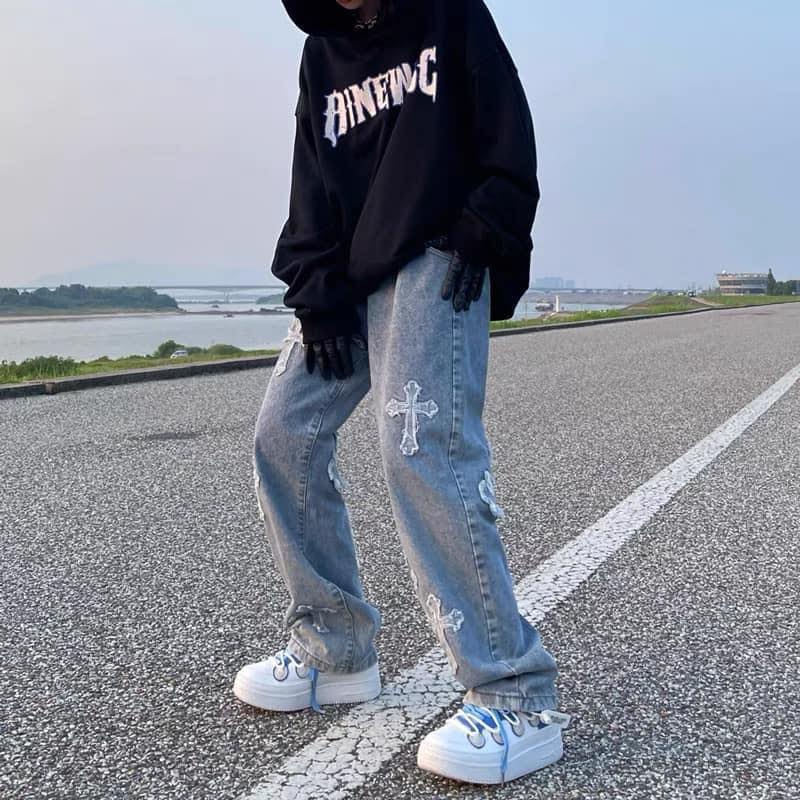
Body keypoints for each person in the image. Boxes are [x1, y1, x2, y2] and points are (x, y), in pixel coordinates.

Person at [235, 0, 570, 785]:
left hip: (437, 253)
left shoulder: (449, 12)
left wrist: (486, 226)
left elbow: (505, 130)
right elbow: (312, 185)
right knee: (282, 436)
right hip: (349, 275)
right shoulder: (322, 54)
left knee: (421, 448)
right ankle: (336, 648)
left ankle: (515, 694)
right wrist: (316, 294)